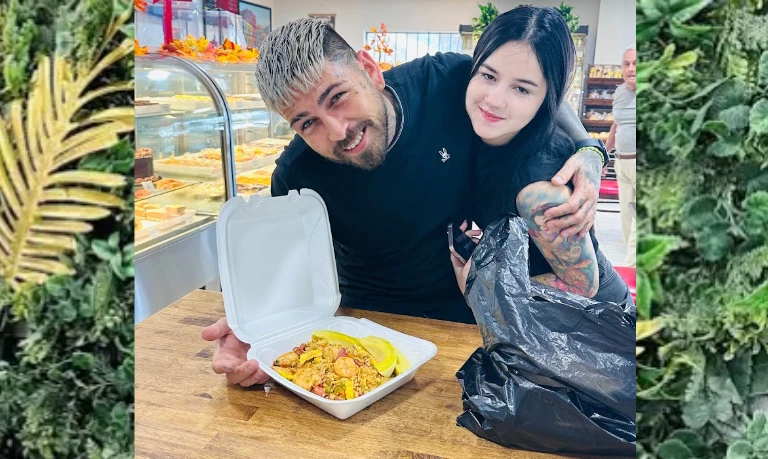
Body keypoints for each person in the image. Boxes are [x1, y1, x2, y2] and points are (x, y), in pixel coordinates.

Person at [201, 17, 609, 387]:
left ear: (370, 70)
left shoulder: (445, 80)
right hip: (373, 331)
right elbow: (284, 281)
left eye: (338, 97)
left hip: (469, 315)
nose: (338, 130)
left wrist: (590, 147)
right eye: (307, 123)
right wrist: (251, 331)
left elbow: (532, 90)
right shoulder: (296, 176)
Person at [452, 6, 631, 304]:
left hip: (598, 325)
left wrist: (483, 283)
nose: (494, 100)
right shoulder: (483, 134)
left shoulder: (540, 186)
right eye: (489, 75)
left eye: (521, 89)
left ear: (547, 98)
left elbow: (581, 286)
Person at [606, 45, 636, 267]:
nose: (631, 68)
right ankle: (630, 252)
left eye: (636, 63)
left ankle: (632, 265)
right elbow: (615, 126)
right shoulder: (619, 92)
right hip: (622, 160)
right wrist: (605, 154)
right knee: (626, 210)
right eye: (626, 64)